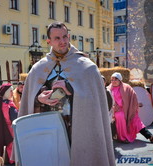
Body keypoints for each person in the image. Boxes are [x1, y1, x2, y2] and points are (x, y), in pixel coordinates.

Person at [18, 22, 115, 166]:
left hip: (78, 128)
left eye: (65, 37)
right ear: (49, 41)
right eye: (57, 38)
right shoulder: (38, 68)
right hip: (47, 129)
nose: (62, 41)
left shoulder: (87, 67)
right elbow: (28, 100)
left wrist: (71, 88)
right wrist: (38, 99)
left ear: (69, 36)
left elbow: (99, 101)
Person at [107, 72, 153, 143]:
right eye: (112, 80)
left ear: (120, 80)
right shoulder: (109, 89)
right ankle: (123, 138)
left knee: (136, 121)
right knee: (120, 116)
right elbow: (107, 100)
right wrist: (114, 106)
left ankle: (150, 136)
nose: (113, 81)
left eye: (115, 79)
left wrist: (134, 105)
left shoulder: (126, 87)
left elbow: (134, 98)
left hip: (128, 109)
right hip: (116, 110)